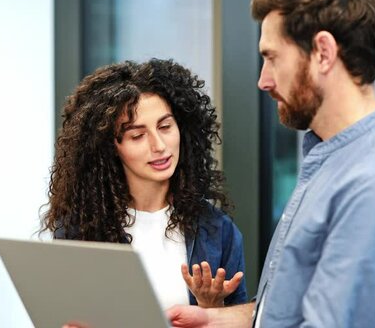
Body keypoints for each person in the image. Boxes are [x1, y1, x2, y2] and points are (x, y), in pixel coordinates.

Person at [167, 0, 375, 327]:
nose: (263, 80)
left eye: (272, 57)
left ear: (323, 53)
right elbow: (295, 308)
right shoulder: (334, 159)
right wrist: (216, 320)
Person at [40, 58, 247, 312]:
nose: (159, 146)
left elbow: (240, 318)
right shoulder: (79, 229)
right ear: (110, 149)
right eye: (137, 136)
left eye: (165, 126)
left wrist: (211, 307)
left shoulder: (217, 230)